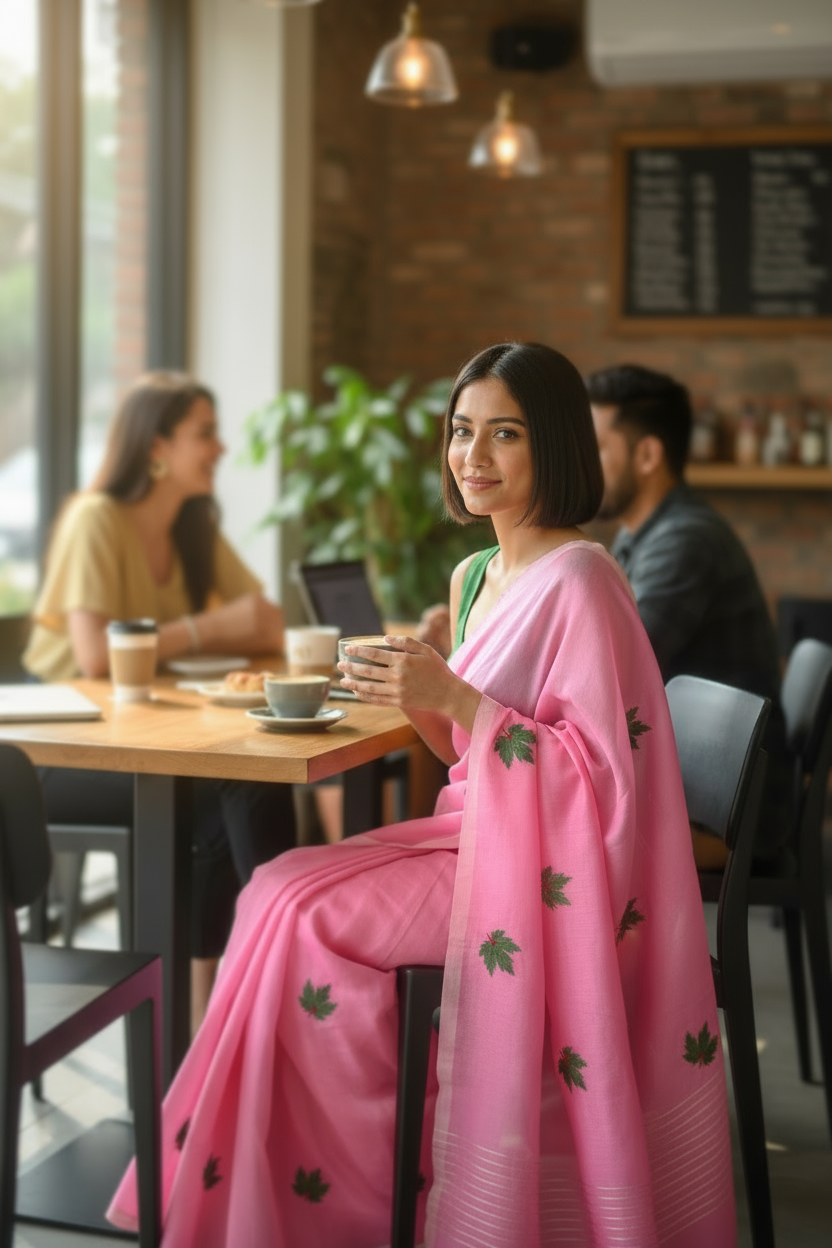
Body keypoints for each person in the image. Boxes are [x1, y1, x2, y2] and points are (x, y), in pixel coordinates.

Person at [109, 343, 735, 1247]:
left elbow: (602, 782)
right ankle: (252, 1180)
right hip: (473, 835)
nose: (473, 456)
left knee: (296, 908)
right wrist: (420, 693)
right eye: (461, 431)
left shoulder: (584, 580)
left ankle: (364, 1198)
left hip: (535, 871)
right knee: (271, 888)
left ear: (556, 444)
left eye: (505, 434)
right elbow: (464, 750)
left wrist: (454, 696)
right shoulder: (476, 576)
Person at [23, 372, 297, 1030]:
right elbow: (96, 655)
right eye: (205, 433)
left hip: (150, 737)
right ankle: (277, 974)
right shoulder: (95, 519)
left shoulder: (194, 525)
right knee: (237, 784)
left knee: (247, 778)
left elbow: (265, 622)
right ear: (156, 446)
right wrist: (206, 629)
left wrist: (214, 629)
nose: (221, 448)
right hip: (63, 758)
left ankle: (232, 1007)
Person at [585, 363, 791, 868]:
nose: (582, 463)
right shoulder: (644, 533)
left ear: (647, 455)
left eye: (597, 447)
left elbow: (613, 668)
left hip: (726, 813)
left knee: (548, 835)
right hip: (698, 784)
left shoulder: (685, 540)